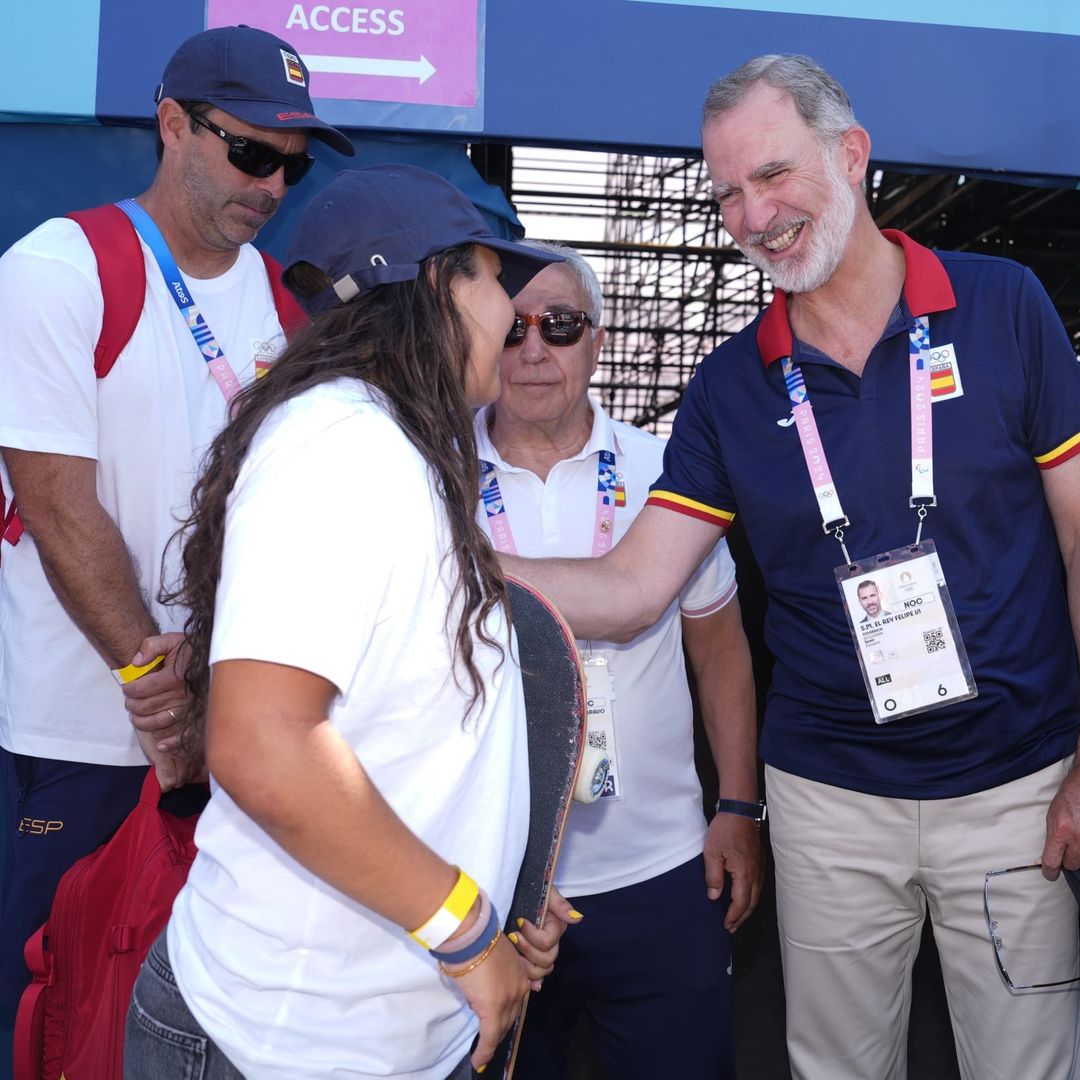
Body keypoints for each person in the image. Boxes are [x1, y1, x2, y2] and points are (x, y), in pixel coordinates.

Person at [504, 55, 1080, 1080]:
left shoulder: (1004, 308)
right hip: (828, 798)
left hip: (1016, 790)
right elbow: (638, 587)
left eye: (772, 175)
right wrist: (447, 557)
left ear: (851, 155)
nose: (750, 214)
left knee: (1026, 1064)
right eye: (726, 191)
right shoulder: (729, 385)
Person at [122, 164, 569, 1080]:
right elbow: (264, 744)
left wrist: (502, 890)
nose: (512, 315)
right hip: (283, 1043)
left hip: (368, 1033)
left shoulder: (393, 446)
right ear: (440, 279)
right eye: (493, 279)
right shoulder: (344, 445)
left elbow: (401, 722)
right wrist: (464, 929)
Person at [0, 23, 355, 1050]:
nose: (274, 183)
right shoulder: (60, 269)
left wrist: (223, 701)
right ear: (171, 125)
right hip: (86, 735)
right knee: (55, 1010)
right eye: (252, 152)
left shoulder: (290, 307)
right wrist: (155, 687)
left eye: (291, 164)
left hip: (236, 737)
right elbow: (59, 503)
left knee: (195, 1021)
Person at [474, 242, 761, 1079]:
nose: (533, 349)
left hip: (661, 872)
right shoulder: (432, 470)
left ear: (596, 341)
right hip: (492, 877)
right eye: (512, 326)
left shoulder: (666, 469)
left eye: (559, 327)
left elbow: (722, 648)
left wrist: (740, 808)